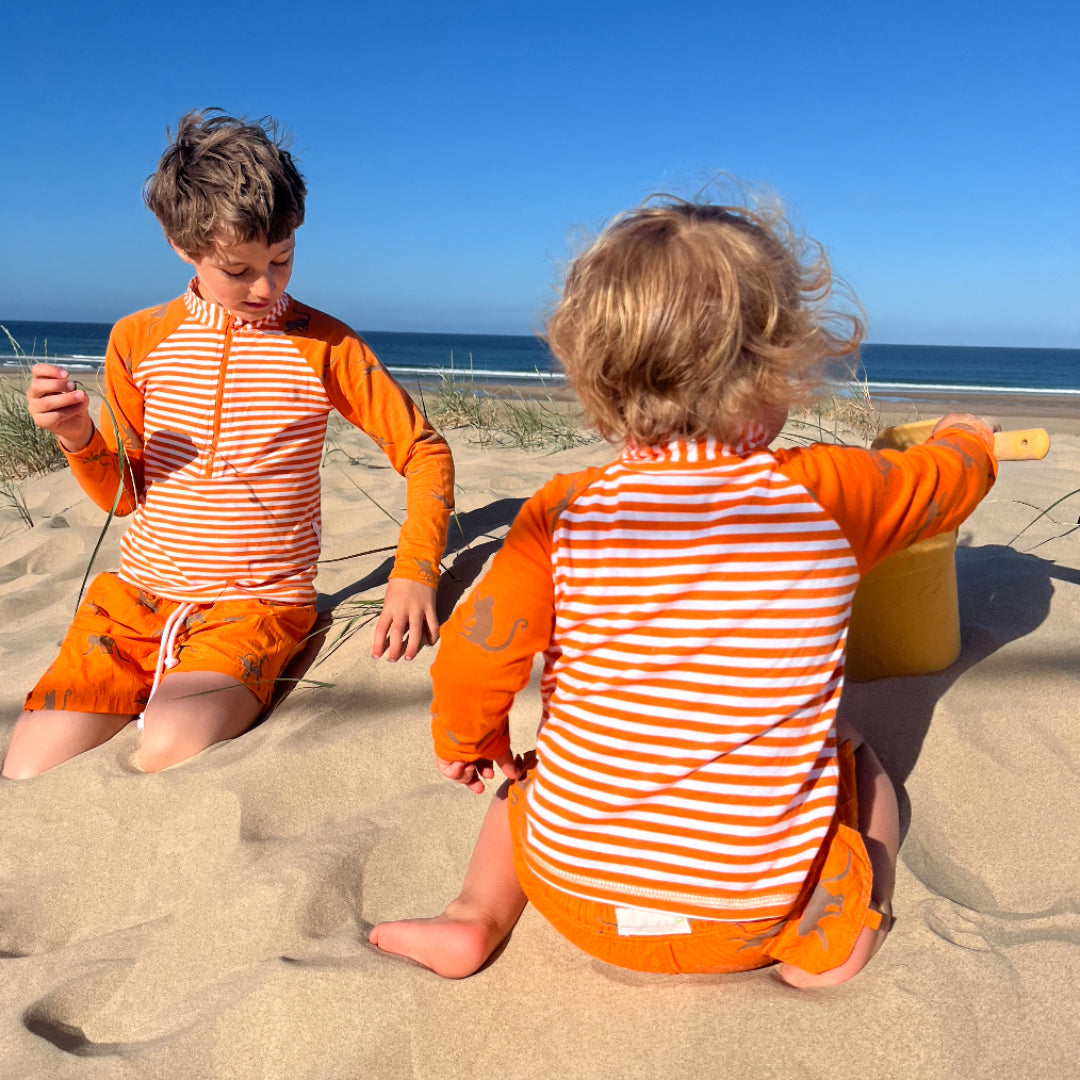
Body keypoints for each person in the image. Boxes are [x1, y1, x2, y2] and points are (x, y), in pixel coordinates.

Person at [369, 195, 997, 987]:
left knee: (525, 783)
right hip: (748, 916)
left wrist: (468, 742)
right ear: (775, 365)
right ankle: (836, 934)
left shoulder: (561, 513)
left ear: (594, 370)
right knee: (861, 763)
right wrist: (969, 439)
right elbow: (944, 485)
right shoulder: (829, 495)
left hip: (571, 895)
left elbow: (475, 655)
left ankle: (473, 918)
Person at [4, 110, 454, 778]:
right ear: (179, 244)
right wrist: (77, 436)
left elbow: (424, 452)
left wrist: (413, 573)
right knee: (29, 763)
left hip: (257, 607)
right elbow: (124, 496)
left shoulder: (326, 344)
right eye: (238, 269)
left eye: (282, 259)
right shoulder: (138, 340)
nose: (266, 287)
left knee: (168, 743)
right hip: (132, 605)